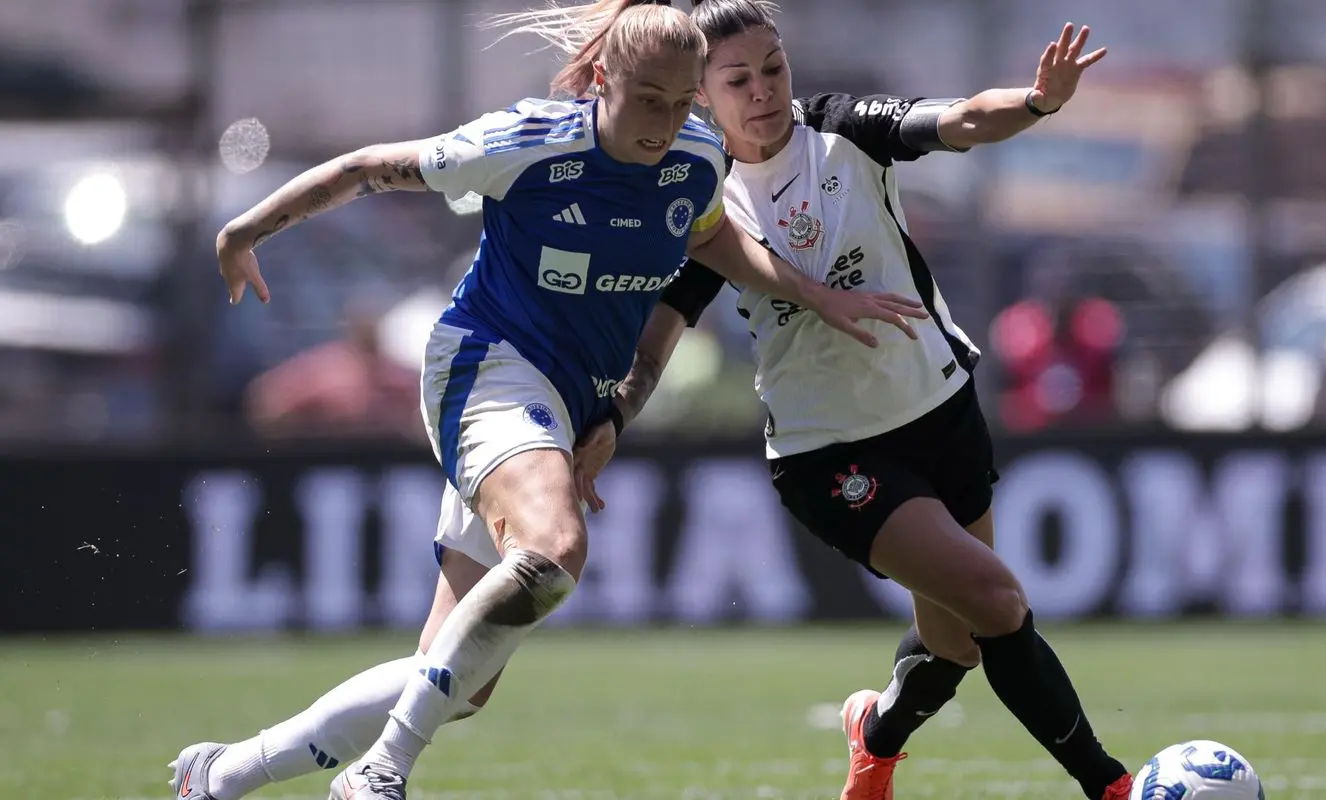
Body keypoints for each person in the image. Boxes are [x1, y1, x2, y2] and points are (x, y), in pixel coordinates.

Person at [167, 2, 928, 799]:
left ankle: (220, 773)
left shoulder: (698, 154)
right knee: (557, 547)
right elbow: (366, 168)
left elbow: (708, 236)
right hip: (487, 368)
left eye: (681, 102)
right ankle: (380, 773)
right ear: (602, 79)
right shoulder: (528, 141)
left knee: (459, 679)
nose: (665, 123)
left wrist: (811, 293)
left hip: (561, 406)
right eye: (648, 100)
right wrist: (245, 231)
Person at [569, 2, 1133, 799]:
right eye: (739, 79)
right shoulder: (701, 196)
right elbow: (656, 343)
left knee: (957, 645)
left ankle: (874, 738)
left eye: (774, 68)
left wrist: (1037, 102)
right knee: (997, 600)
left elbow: (965, 120)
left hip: (941, 411)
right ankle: (1112, 786)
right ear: (701, 95)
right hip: (831, 452)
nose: (764, 90)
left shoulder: (842, 129)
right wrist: (616, 417)